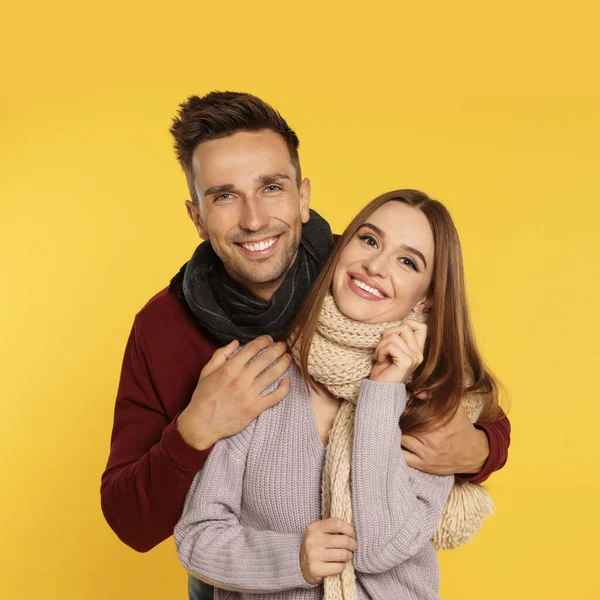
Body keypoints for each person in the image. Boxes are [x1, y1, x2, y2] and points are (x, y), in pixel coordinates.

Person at [100, 92, 511, 600]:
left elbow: (461, 389)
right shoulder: (164, 329)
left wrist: (478, 449)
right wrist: (197, 427)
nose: (254, 219)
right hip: (241, 570)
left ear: (303, 195)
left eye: (271, 187)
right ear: (197, 216)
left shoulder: (359, 272)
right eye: (223, 196)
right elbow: (135, 521)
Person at [175, 189, 505, 599]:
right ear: (340, 249)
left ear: (427, 296)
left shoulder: (434, 406)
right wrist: (292, 557)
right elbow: (197, 536)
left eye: (407, 261)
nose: (374, 265)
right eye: (368, 240)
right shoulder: (259, 377)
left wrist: (383, 391)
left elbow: (377, 548)